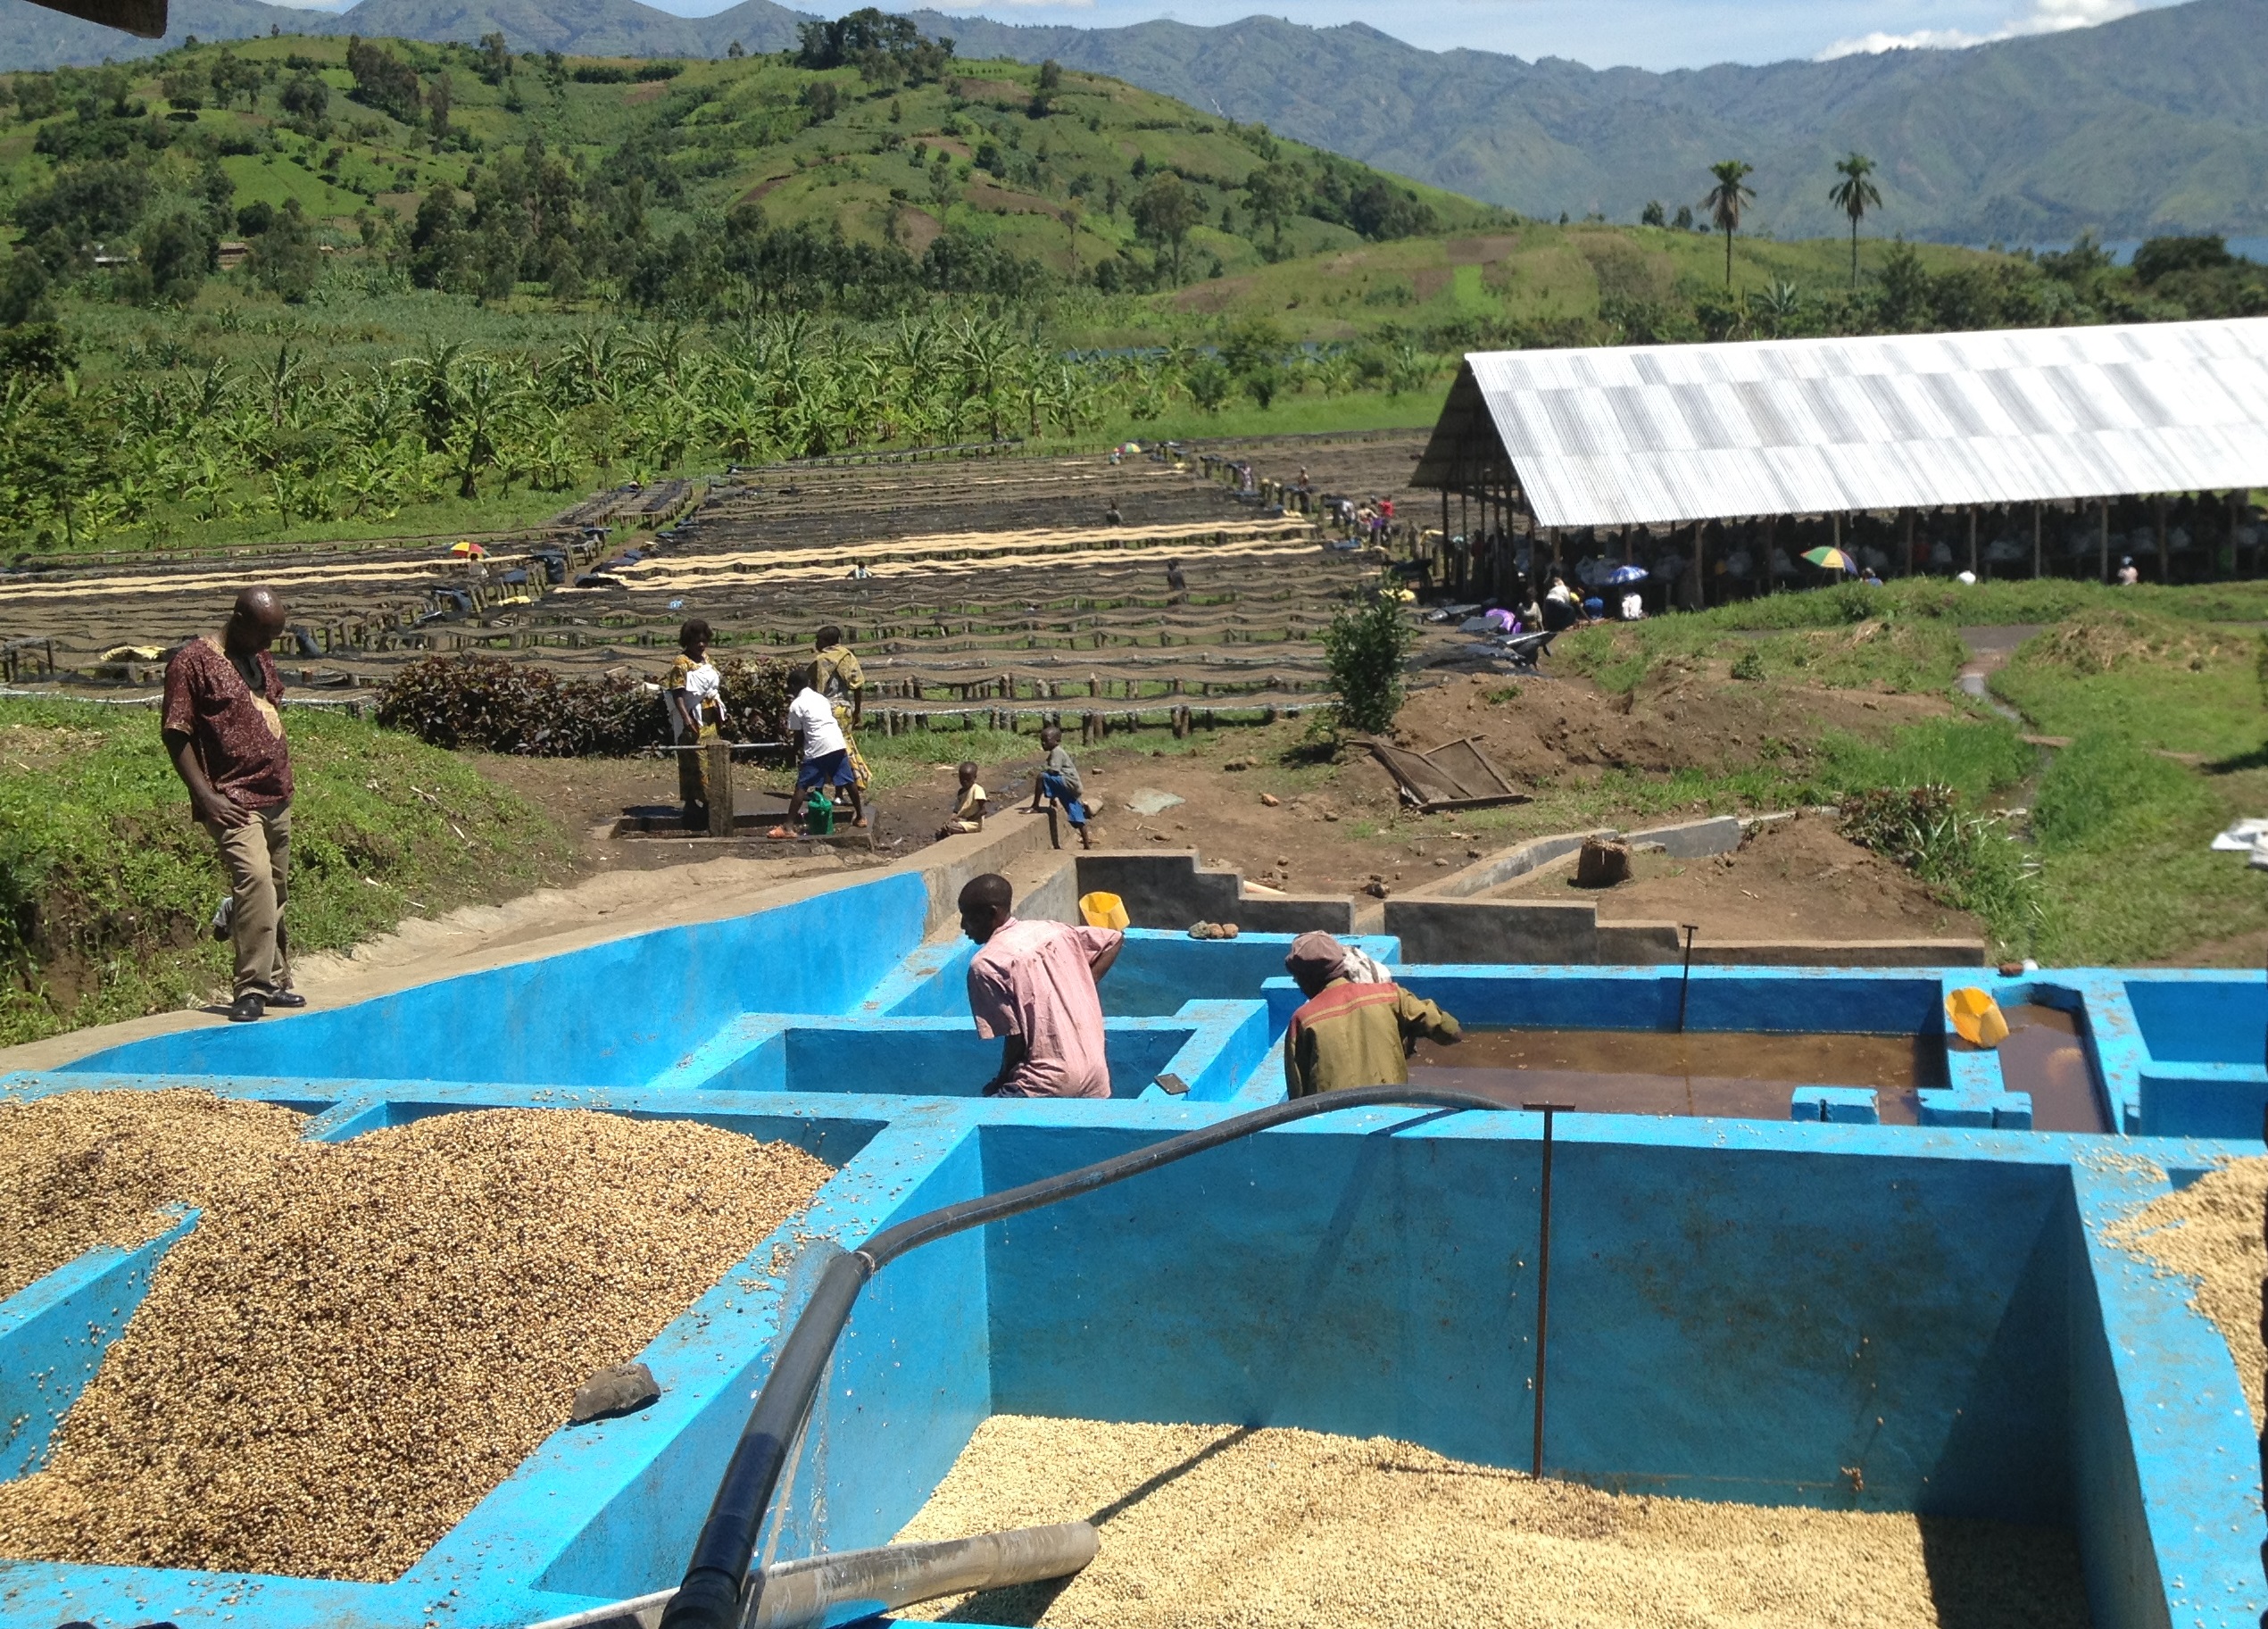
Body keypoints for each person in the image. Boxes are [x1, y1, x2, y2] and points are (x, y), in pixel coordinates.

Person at [162, 586, 305, 1023]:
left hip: (275, 792)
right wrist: (206, 796)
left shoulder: (258, 655)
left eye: (275, 636)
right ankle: (251, 987)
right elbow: (175, 732)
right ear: (239, 619)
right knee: (256, 878)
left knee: (275, 889)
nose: (269, 645)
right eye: (264, 634)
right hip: (231, 799)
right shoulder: (193, 662)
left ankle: (276, 979)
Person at [960, 873, 1122, 1098]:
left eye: (968, 918)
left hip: (1046, 1081)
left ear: (991, 913)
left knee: (980, 1114)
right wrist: (1084, 982)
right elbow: (1113, 939)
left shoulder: (986, 964)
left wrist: (1001, 1079)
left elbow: (1015, 1038)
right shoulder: (1053, 930)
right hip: (1097, 1075)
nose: (962, 926)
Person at [1281, 932, 1462, 1097]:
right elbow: (1450, 1030)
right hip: (1391, 1114)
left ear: (1305, 979)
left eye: (1296, 978)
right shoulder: (1390, 994)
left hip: (1334, 1123)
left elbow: (1298, 1096)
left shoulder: (1303, 1019)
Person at [774, 663, 863, 837]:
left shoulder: (796, 705)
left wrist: (792, 754)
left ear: (792, 686)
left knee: (802, 786)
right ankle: (860, 816)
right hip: (837, 742)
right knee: (847, 780)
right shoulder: (821, 698)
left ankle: (788, 827)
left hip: (818, 746)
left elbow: (799, 736)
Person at [665, 619, 729, 828]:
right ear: (688, 641)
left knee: (711, 762)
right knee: (694, 763)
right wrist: (686, 718)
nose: (701, 645)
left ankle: (709, 805)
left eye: (703, 641)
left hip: (710, 720)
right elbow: (678, 694)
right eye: (696, 641)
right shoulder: (680, 663)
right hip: (693, 720)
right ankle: (697, 802)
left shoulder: (707, 660)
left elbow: (713, 688)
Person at [811, 626, 871, 826]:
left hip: (825, 709)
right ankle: (839, 793)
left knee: (822, 750)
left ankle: (820, 790)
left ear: (826, 642)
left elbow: (814, 689)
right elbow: (857, 685)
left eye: (818, 640)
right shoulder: (847, 656)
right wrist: (857, 711)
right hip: (843, 710)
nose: (816, 644)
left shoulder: (820, 660)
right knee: (843, 747)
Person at [1026, 724, 1093, 849]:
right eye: (1042, 741)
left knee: (1041, 776)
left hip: (1068, 783)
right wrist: (1053, 797)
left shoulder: (1056, 752)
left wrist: (1050, 790)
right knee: (1076, 816)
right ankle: (1086, 844)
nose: (1043, 744)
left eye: (1046, 741)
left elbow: (1054, 772)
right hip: (1072, 787)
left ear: (1057, 741)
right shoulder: (1057, 751)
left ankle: (1035, 805)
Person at [937, 760, 988, 838]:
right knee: (944, 827)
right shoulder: (961, 792)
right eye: (962, 778)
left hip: (973, 823)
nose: (964, 781)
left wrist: (967, 820)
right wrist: (951, 819)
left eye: (968, 779)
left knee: (949, 827)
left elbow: (983, 810)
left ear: (974, 778)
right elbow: (956, 811)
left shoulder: (977, 789)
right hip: (962, 820)